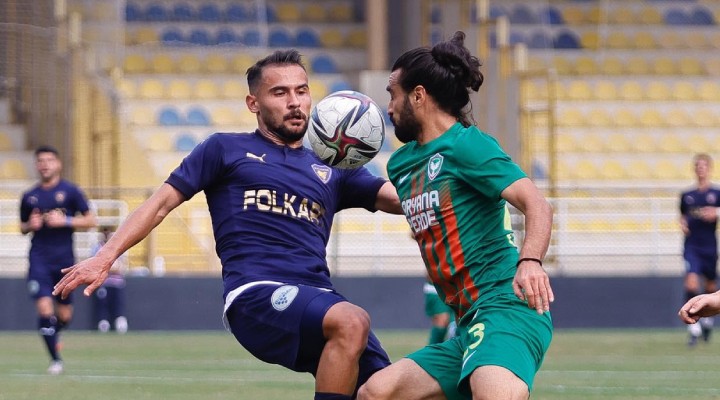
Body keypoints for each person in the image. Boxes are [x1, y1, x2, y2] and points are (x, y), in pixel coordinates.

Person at [54, 49, 402, 400]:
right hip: (256, 295)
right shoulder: (224, 149)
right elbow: (159, 204)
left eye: (301, 90)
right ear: (254, 103)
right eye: (279, 93)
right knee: (352, 320)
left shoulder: (334, 167)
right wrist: (107, 256)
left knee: (389, 389)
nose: (295, 102)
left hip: (321, 299)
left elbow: (407, 200)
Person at [357, 31, 554, 400]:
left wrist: (530, 261)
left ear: (418, 95)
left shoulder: (468, 145)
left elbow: (536, 203)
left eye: (392, 93)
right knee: (375, 392)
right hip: (467, 324)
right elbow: (413, 204)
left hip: (506, 308)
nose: (388, 106)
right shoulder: (401, 164)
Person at [19, 145, 97, 375]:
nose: (44, 164)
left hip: (64, 263)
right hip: (39, 260)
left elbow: (91, 220)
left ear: (58, 164)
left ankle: (55, 331)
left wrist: (66, 221)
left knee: (64, 316)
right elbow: (23, 226)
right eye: (40, 161)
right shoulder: (29, 196)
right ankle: (56, 361)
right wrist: (29, 226)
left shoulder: (71, 192)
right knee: (44, 309)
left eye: (49, 160)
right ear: (36, 165)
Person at [679, 153, 720, 346]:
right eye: (698, 166)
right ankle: (693, 328)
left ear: (709, 168)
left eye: (704, 166)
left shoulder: (716, 193)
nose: (700, 169)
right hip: (692, 245)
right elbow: (682, 217)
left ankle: (708, 321)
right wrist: (683, 223)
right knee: (691, 282)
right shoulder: (687, 196)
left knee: (711, 286)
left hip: (710, 246)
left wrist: (716, 212)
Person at [91, 227, 129, 334]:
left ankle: (120, 324)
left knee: (118, 304)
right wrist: (110, 268)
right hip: (103, 283)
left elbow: (121, 267)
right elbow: (95, 266)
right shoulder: (97, 248)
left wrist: (108, 268)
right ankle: (103, 324)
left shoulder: (119, 247)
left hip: (117, 283)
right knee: (102, 305)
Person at [423, 275, 455, 344]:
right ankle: (431, 351)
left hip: (457, 287)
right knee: (442, 322)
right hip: (437, 288)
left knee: (455, 323)